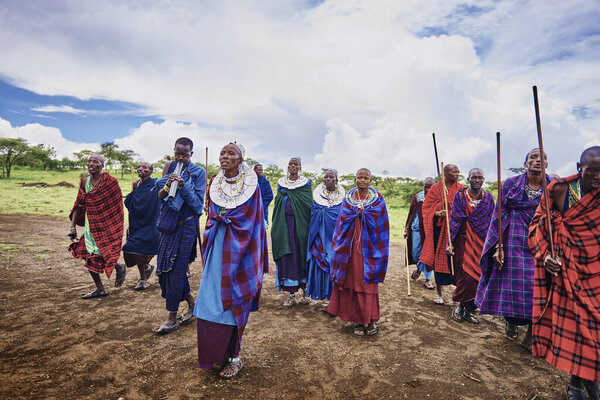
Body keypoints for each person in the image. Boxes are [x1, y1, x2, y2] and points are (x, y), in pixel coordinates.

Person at [529, 146, 600, 399]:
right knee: (579, 327)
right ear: (579, 168)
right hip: (567, 271)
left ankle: (589, 378)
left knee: (595, 329)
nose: (598, 177)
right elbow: (538, 224)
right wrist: (546, 255)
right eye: (592, 171)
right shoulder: (560, 190)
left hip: (595, 273)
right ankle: (576, 384)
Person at [194, 142, 267, 379]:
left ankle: (235, 357)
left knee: (234, 297)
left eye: (231, 153)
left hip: (240, 249)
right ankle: (217, 353)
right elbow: (211, 214)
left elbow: (253, 220)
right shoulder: (214, 183)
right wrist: (217, 220)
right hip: (217, 246)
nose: (225, 156)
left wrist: (229, 222)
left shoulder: (252, 186)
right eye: (223, 153)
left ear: (240, 160)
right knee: (211, 298)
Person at [476, 149, 551, 348]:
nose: (537, 161)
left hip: (540, 244)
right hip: (514, 241)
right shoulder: (511, 184)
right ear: (525, 163)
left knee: (538, 288)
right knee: (513, 287)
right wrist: (498, 246)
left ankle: (532, 334)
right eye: (533, 157)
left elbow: (558, 218)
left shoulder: (552, 187)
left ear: (547, 165)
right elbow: (499, 214)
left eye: (542, 158)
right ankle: (511, 322)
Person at [328, 168, 389, 336]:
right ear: (355, 179)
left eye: (366, 178)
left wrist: (365, 215)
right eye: (359, 177)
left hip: (369, 249)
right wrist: (355, 214)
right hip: (349, 249)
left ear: (370, 180)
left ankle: (370, 321)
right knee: (352, 281)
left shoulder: (378, 200)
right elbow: (342, 220)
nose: (362, 180)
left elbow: (381, 222)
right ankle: (358, 320)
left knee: (366, 282)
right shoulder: (348, 199)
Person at [154, 137, 206, 334]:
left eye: (185, 154)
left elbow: (197, 206)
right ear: (174, 151)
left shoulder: (198, 172)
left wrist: (184, 186)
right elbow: (160, 196)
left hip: (186, 227)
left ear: (191, 154)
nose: (181, 157)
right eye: (178, 153)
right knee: (166, 269)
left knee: (176, 270)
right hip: (168, 225)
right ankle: (193, 304)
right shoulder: (169, 166)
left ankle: (171, 318)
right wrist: (167, 185)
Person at [68, 154, 126, 298]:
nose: (91, 164)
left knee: (103, 251)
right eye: (89, 161)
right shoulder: (84, 182)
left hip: (108, 225)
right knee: (89, 254)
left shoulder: (111, 182)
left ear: (102, 165)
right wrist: (72, 226)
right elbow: (78, 205)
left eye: (96, 162)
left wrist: (114, 225)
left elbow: (116, 207)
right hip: (91, 225)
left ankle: (118, 268)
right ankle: (101, 287)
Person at [447, 168, 494, 324]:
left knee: (477, 276)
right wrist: (450, 243)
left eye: (479, 177)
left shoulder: (488, 198)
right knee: (464, 275)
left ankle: (468, 309)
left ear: (483, 179)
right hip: (462, 241)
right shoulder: (460, 196)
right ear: (468, 179)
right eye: (473, 177)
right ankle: (460, 307)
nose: (477, 180)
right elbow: (454, 219)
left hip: (480, 242)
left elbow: (491, 222)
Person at [271, 157, 313, 306]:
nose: (293, 166)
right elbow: (277, 201)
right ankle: (291, 294)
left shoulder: (305, 184)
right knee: (289, 257)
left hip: (301, 226)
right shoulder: (281, 183)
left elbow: (308, 204)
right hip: (285, 226)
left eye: (296, 164)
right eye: (290, 164)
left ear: (300, 167)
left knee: (302, 256)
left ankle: (305, 293)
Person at [420, 164, 463, 304]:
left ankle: (459, 294)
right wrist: (438, 212)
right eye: (453, 172)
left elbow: (464, 208)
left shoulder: (461, 188)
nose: (456, 174)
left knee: (457, 261)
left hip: (455, 229)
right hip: (439, 230)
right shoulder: (435, 188)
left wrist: (452, 213)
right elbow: (426, 207)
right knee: (439, 259)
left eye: (457, 172)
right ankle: (439, 293)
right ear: (445, 174)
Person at [306, 169, 345, 305]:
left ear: (337, 180)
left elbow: (344, 218)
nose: (328, 179)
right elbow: (313, 213)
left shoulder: (343, 198)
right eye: (326, 176)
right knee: (320, 262)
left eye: (331, 176)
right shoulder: (318, 196)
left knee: (334, 263)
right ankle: (322, 294)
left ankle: (334, 299)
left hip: (335, 239)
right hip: (319, 238)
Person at [122, 161, 160, 290]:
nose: (140, 169)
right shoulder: (136, 184)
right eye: (139, 167)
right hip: (137, 222)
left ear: (150, 171)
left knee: (148, 247)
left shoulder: (156, 183)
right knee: (130, 247)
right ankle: (145, 273)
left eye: (144, 167)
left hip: (152, 222)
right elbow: (132, 200)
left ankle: (144, 277)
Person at [405, 177, 435, 290]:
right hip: (417, 228)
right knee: (416, 254)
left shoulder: (438, 197)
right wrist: (407, 228)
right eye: (426, 187)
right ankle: (419, 268)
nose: (428, 189)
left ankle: (427, 280)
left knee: (428, 255)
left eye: (430, 187)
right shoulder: (418, 196)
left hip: (430, 230)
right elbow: (412, 212)